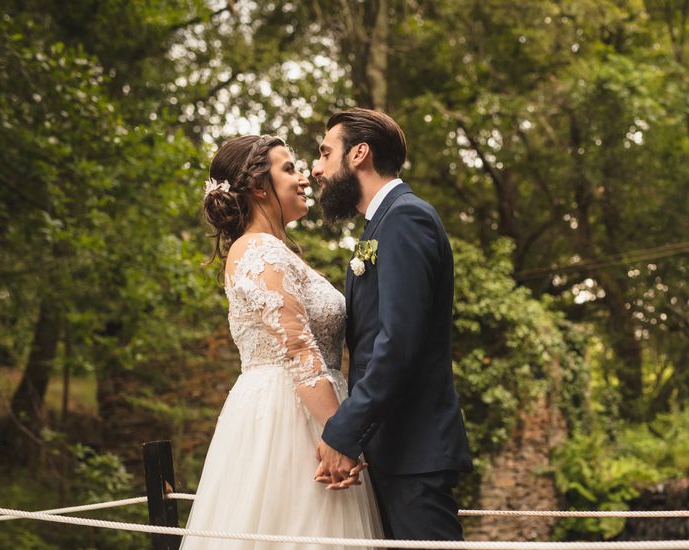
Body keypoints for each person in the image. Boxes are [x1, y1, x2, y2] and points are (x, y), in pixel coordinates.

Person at [182, 134, 382, 550]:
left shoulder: (277, 250)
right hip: (288, 419)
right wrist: (340, 435)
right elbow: (297, 350)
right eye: (288, 169)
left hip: (311, 407)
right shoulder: (259, 250)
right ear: (258, 187)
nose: (305, 176)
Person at [311, 109, 473, 543]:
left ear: (359, 153)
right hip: (392, 449)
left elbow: (398, 342)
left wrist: (343, 433)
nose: (316, 167)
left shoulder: (405, 218)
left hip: (414, 449)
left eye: (326, 153)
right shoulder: (380, 226)